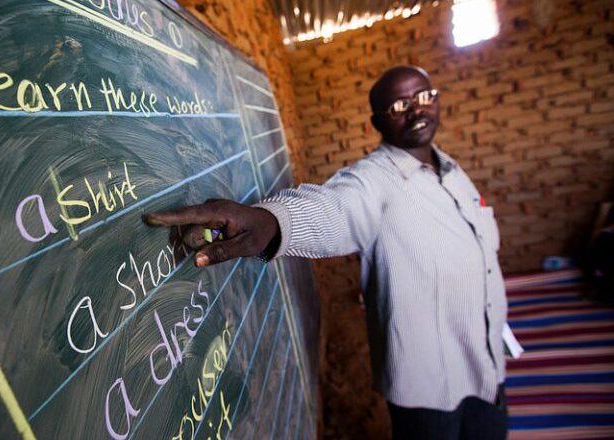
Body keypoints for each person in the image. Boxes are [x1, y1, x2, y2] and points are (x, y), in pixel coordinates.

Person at [146, 65, 508, 440]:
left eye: (423, 97)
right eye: (400, 105)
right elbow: (335, 208)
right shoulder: (376, 180)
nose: (417, 110)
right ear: (377, 122)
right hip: (432, 389)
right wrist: (270, 222)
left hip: (486, 366)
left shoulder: (453, 171)